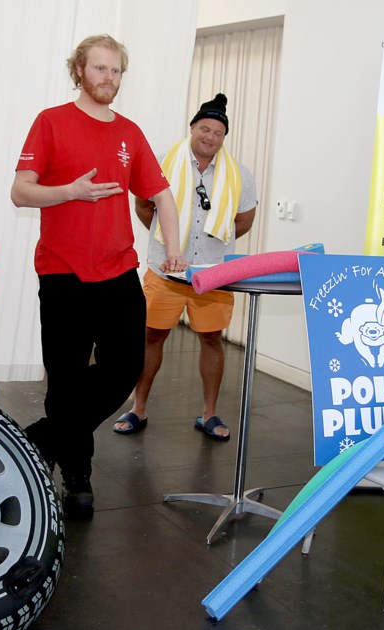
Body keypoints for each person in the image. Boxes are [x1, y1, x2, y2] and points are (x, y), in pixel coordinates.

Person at [11, 34, 187, 520]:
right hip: (63, 274)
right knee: (65, 381)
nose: (108, 78)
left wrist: (172, 250)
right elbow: (21, 193)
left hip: (117, 274)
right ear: (79, 71)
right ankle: (78, 477)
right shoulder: (50, 123)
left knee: (124, 370)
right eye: (99, 69)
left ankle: (39, 440)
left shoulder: (130, 133)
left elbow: (164, 198)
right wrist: (70, 191)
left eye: (115, 71)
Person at [113, 93, 257, 442]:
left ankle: (209, 413)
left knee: (212, 339)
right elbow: (145, 207)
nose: (210, 136)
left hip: (214, 274)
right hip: (165, 270)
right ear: (192, 128)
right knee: (151, 337)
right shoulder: (163, 161)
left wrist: (212, 243)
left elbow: (244, 220)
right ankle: (138, 407)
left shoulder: (239, 174)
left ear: (224, 137)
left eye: (218, 132)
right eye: (204, 128)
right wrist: (166, 240)